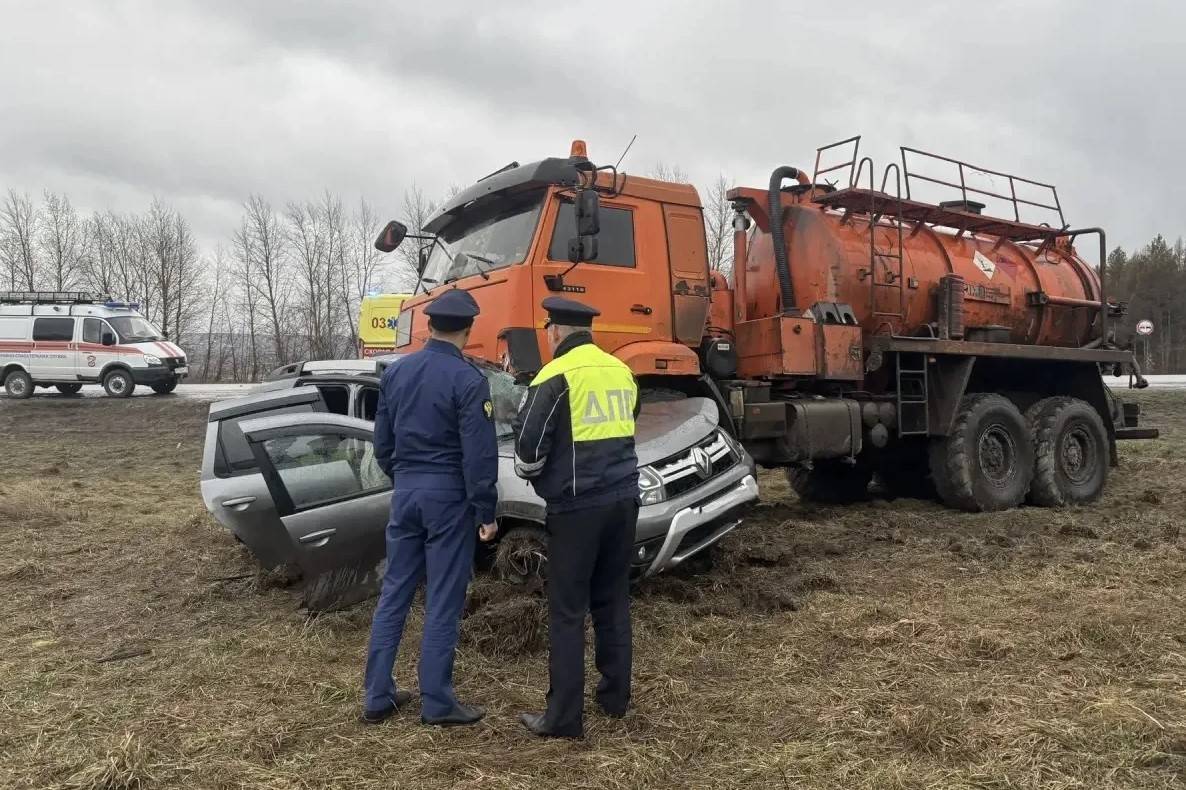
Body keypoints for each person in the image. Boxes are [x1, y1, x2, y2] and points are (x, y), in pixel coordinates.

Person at [361, 288, 499, 727]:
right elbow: (479, 456)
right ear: (468, 330)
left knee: (394, 593)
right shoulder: (469, 379)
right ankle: (437, 701)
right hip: (448, 498)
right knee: (443, 598)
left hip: (406, 492)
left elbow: (382, 444)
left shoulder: (397, 373)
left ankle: (377, 695)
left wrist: (404, 478)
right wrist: (486, 510)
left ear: (429, 326)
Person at [512, 296, 640, 738]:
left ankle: (564, 717)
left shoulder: (554, 375)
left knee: (567, 612)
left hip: (576, 508)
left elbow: (528, 449)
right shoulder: (621, 370)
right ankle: (615, 699)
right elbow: (631, 419)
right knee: (613, 600)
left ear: (554, 332)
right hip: (624, 499)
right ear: (589, 331)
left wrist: (535, 477)